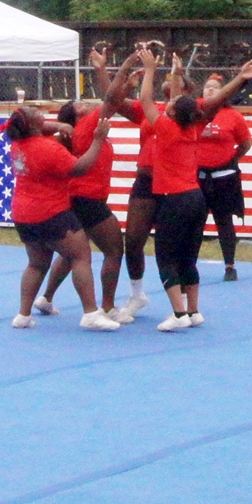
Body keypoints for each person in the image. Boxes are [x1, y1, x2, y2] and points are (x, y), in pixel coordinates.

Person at [136, 49, 252, 331]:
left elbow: (145, 99)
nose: (169, 102)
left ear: (171, 113)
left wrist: (150, 70)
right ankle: (193, 310)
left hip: (173, 198)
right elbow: (205, 101)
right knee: (189, 255)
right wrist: (238, 78)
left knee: (165, 256)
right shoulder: (192, 126)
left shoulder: (165, 128)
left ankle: (178, 314)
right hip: (195, 197)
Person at [3, 104, 121, 331]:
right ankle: (90, 313)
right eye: (36, 113)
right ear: (34, 125)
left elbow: (39, 127)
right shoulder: (49, 149)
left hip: (23, 213)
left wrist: (58, 125)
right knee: (80, 256)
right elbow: (80, 168)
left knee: (36, 264)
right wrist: (98, 140)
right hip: (50, 212)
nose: (40, 112)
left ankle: (23, 314)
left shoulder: (18, 144)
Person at [32, 48, 129, 321]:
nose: (85, 105)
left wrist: (125, 79)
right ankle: (107, 306)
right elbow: (111, 99)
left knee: (73, 252)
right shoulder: (86, 127)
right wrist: (105, 70)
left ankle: (46, 297)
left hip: (76, 197)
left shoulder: (77, 130)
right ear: (75, 118)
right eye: (79, 106)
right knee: (113, 249)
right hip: (88, 199)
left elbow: (115, 97)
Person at [104, 43, 187, 320]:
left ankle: (184, 302)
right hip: (145, 182)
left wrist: (171, 72)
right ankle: (137, 293)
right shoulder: (148, 112)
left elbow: (171, 97)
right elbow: (113, 99)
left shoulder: (182, 116)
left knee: (172, 244)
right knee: (134, 239)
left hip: (171, 185)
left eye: (175, 85)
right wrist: (120, 77)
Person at [193, 73, 252, 280]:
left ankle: (230, 265)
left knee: (224, 221)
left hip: (224, 177)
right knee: (195, 223)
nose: (210, 90)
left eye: (215, 88)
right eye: (207, 87)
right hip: (198, 176)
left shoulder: (233, 116)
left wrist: (231, 158)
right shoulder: (196, 111)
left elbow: (246, 144)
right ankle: (189, 264)